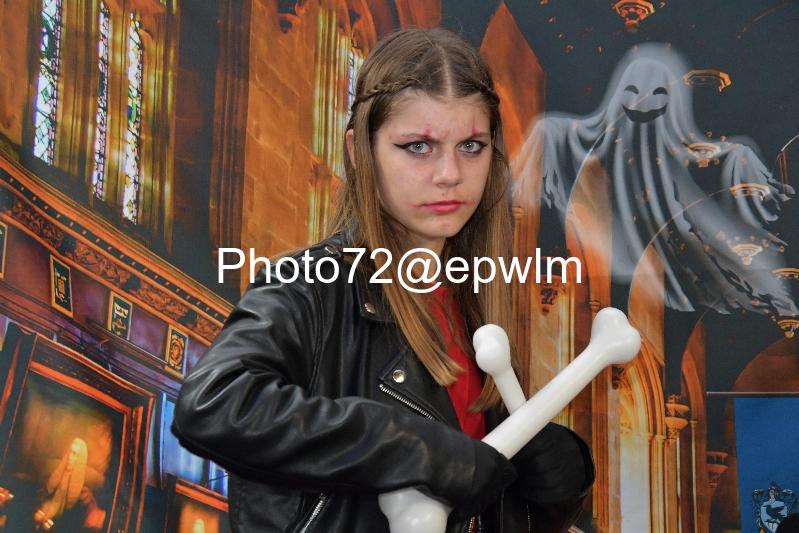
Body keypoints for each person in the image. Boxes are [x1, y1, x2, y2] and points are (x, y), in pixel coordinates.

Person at [171, 27, 594, 533]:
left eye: (471, 146)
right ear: (360, 150)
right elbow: (213, 403)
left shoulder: (476, 303)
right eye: (417, 146)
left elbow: (470, 504)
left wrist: (557, 485)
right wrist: (411, 446)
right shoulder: (309, 285)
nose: (450, 173)